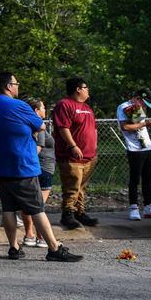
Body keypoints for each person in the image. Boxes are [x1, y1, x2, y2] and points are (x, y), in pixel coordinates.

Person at [0, 72, 82, 262]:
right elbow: (40, 126)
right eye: (16, 83)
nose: (17, 86)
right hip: (21, 165)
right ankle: (54, 248)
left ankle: (13, 247)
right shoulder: (17, 105)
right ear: (8, 86)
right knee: (37, 207)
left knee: (8, 208)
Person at [53, 77, 99, 230]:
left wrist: (94, 146)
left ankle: (80, 212)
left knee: (81, 187)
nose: (88, 90)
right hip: (71, 156)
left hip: (89, 156)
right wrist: (73, 145)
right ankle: (67, 214)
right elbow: (63, 128)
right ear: (78, 89)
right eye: (86, 87)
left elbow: (93, 128)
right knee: (72, 186)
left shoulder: (87, 107)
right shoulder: (64, 105)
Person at [116, 89, 151, 221]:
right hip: (134, 149)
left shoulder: (137, 108)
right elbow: (125, 127)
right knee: (135, 179)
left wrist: (149, 124)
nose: (144, 106)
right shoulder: (124, 107)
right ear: (137, 98)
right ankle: (134, 208)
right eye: (144, 103)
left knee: (148, 179)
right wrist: (144, 123)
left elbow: (138, 124)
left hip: (146, 147)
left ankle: (149, 208)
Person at [20, 98, 54, 247]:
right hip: (43, 168)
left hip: (32, 168)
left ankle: (30, 235)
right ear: (36, 111)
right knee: (38, 204)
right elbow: (37, 148)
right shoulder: (38, 125)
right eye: (43, 108)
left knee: (29, 202)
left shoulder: (25, 124)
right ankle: (41, 237)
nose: (45, 110)